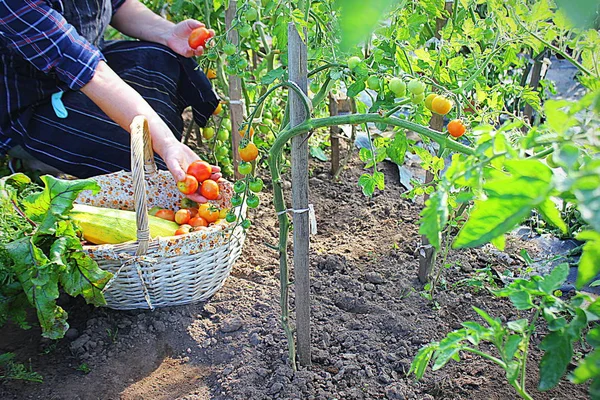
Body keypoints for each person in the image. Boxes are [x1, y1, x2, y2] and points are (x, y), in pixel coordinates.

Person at [0, 0, 220, 203]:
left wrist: (167, 32)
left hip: (90, 68)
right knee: (147, 161)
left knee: (162, 58)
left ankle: (162, 154)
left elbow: (118, 4)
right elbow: (90, 72)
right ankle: (32, 159)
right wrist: (166, 143)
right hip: (31, 106)